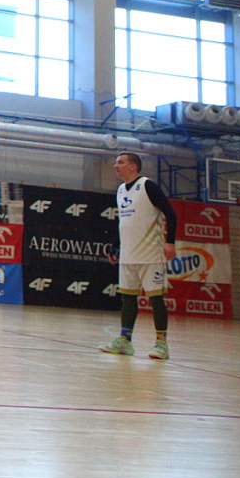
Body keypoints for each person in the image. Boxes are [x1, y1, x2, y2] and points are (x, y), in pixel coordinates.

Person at [100, 152, 177, 360]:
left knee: (156, 298)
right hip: (128, 254)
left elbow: (170, 213)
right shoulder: (120, 190)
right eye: (116, 162)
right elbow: (124, 222)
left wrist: (170, 242)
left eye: (120, 162)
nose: (116, 165)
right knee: (128, 298)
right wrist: (115, 247)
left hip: (150, 254)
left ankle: (161, 344)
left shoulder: (147, 186)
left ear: (133, 166)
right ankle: (125, 341)